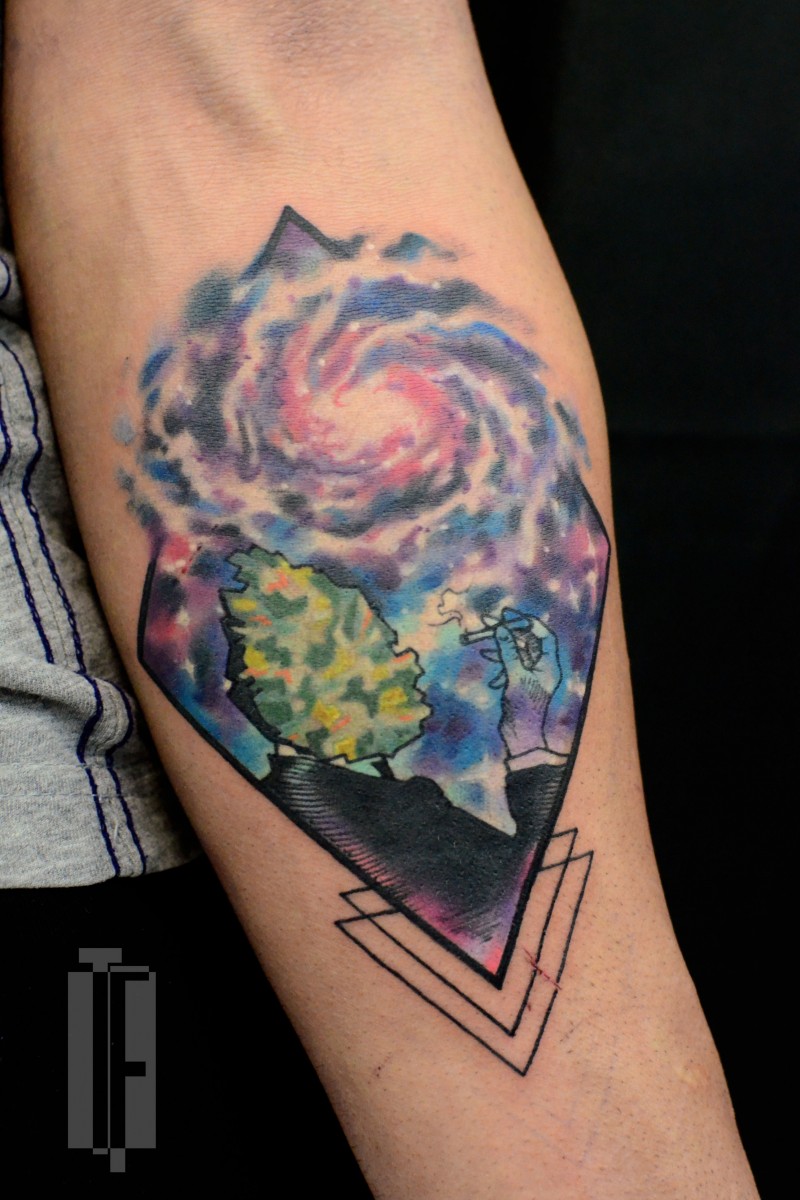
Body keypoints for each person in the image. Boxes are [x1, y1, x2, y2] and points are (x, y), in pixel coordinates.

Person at [1, 3, 761, 1193]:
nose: (405, 653)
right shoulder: (358, 800)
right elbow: (273, 56)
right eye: (369, 637)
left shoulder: (366, 791)